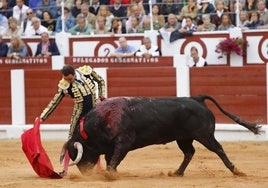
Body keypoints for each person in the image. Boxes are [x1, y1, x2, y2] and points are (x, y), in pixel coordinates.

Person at [40, 64, 106, 176]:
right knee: (71, 140)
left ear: (75, 74)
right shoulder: (65, 84)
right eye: (66, 79)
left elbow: (100, 81)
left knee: (96, 139)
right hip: (79, 114)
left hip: (94, 112)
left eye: (70, 79)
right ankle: (65, 169)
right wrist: (43, 117)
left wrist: (101, 96)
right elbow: (55, 101)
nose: (68, 82)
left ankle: (99, 167)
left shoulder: (86, 71)